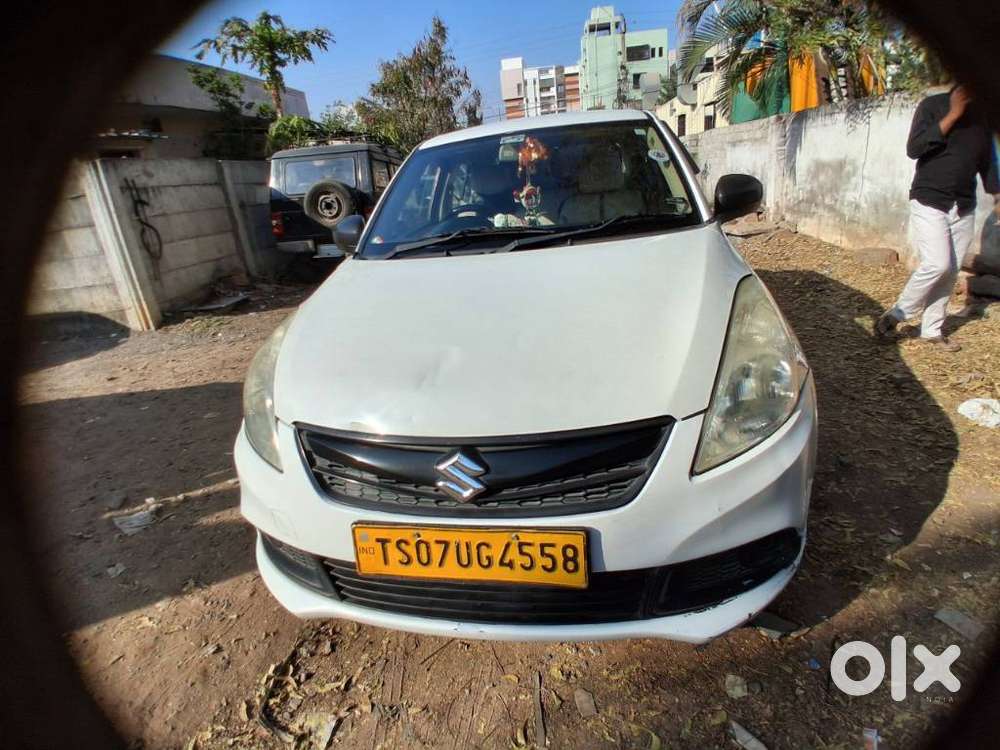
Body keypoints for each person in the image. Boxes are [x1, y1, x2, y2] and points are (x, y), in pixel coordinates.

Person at [876, 84, 1000, 352]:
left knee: (950, 271)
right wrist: (953, 115)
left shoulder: (982, 120)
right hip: (930, 200)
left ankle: (932, 330)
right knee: (937, 264)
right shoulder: (932, 107)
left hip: (963, 205)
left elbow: (988, 162)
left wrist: (997, 194)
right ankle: (899, 313)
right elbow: (915, 148)